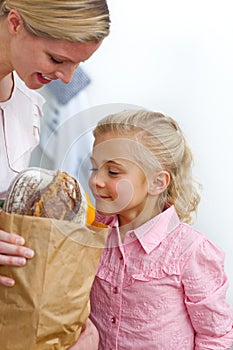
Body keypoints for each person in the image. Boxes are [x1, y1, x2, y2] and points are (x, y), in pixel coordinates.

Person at [0, 1, 110, 348]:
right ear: (15, 23)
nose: (65, 78)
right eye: (57, 59)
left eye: (77, 64)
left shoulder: (24, 101)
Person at [88, 109, 233, 349]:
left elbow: (216, 336)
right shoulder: (92, 231)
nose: (96, 180)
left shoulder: (190, 251)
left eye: (112, 172)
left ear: (157, 182)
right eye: (95, 168)